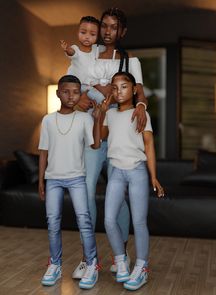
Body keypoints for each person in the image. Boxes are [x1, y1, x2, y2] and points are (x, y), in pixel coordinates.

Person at [71, 7, 149, 278]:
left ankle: (122, 254)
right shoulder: (87, 54)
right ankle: (88, 257)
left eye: (113, 27)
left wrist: (140, 104)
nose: (106, 31)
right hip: (92, 131)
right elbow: (73, 86)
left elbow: (140, 93)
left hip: (118, 135)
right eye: (104, 25)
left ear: (122, 32)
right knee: (88, 189)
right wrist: (81, 98)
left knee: (121, 195)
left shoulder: (131, 61)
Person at [94, 71, 164, 290]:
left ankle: (142, 267)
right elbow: (98, 141)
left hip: (136, 172)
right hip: (116, 172)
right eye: (114, 88)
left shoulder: (141, 113)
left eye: (124, 86)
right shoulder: (111, 114)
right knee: (108, 220)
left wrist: (154, 176)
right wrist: (100, 115)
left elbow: (150, 146)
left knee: (139, 221)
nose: (118, 91)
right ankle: (121, 260)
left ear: (134, 90)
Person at [38, 75, 101, 289]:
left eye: (76, 92)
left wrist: (98, 118)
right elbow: (43, 152)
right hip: (53, 179)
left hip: (76, 178)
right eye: (66, 91)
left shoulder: (85, 119)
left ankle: (92, 264)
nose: (71, 96)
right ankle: (54, 265)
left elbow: (94, 146)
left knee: (84, 220)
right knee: (52, 222)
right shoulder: (47, 120)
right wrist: (41, 181)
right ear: (58, 93)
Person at [60, 16, 104, 105]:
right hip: (75, 85)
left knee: (101, 98)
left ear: (97, 36)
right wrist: (67, 49)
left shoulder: (97, 49)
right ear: (78, 33)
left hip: (90, 86)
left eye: (92, 34)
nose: (87, 37)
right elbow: (72, 53)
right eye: (83, 32)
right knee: (98, 99)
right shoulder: (76, 49)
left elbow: (108, 50)